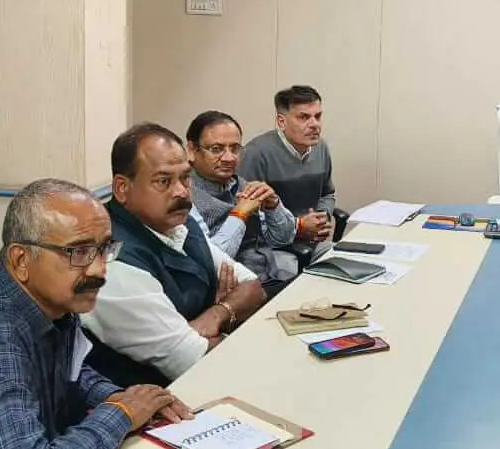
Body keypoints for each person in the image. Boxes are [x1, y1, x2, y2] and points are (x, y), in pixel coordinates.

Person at [0, 179, 191, 449]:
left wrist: (122, 398)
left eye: (104, 248)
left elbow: (72, 370)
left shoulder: (51, 298)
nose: (99, 270)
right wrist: (121, 414)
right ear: (21, 260)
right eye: (78, 252)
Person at [82, 123, 267, 387]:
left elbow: (253, 287)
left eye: (185, 178)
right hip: (156, 397)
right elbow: (196, 361)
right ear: (122, 188)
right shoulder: (112, 264)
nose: (181, 191)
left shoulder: (176, 223)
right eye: (163, 181)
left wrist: (216, 314)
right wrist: (230, 316)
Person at [187, 110, 325, 296]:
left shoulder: (242, 184)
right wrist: (240, 214)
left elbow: (282, 239)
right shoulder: (185, 196)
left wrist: (273, 206)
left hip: (270, 275)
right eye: (216, 149)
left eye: (235, 149)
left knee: (330, 267)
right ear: (192, 150)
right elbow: (212, 261)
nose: (229, 158)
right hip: (235, 292)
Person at [239, 85, 336, 253]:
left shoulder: (321, 148)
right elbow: (247, 214)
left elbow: (327, 194)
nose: (314, 124)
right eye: (304, 117)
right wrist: (299, 226)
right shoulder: (256, 153)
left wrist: (322, 216)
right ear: (281, 122)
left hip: (312, 241)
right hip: (270, 246)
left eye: (317, 116)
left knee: (345, 258)